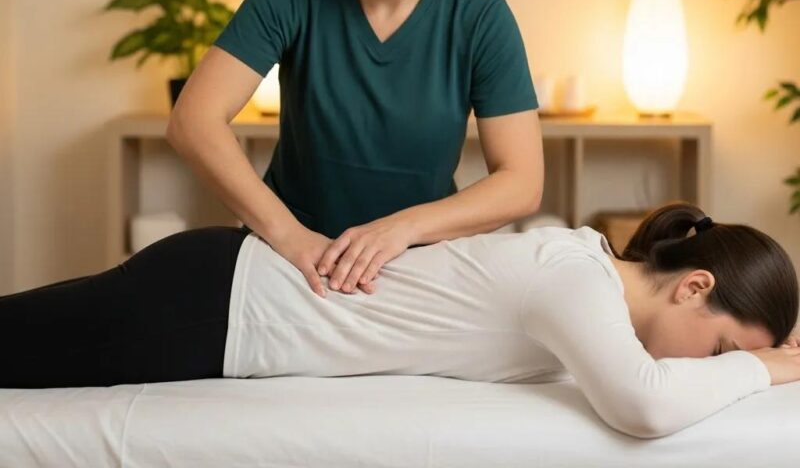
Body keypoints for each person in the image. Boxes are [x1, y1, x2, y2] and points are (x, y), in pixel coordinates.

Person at [2, 202, 799, 439]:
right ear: (693, 287)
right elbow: (645, 406)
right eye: (720, 348)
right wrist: (773, 367)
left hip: (218, 306)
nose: (710, 366)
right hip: (214, 303)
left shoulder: (583, 285)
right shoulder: (575, 280)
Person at [166, 0, 544, 298]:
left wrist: (400, 230)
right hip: (292, 264)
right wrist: (287, 235)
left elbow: (522, 182)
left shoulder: (482, 17)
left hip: (419, 265)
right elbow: (193, 121)